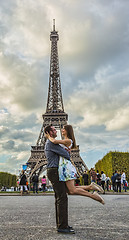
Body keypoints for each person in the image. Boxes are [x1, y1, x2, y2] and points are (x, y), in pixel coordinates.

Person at [46, 125, 105, 205]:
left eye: (63, 129)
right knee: (68, 190)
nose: (61, 130)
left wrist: (48, 136)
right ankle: (90, 187)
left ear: (67, 131)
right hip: (64, 166)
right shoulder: (65, 141)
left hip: (66, 166)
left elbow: (54, 142)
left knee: (72, 190)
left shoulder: (68, 141)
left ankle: (93, 195)